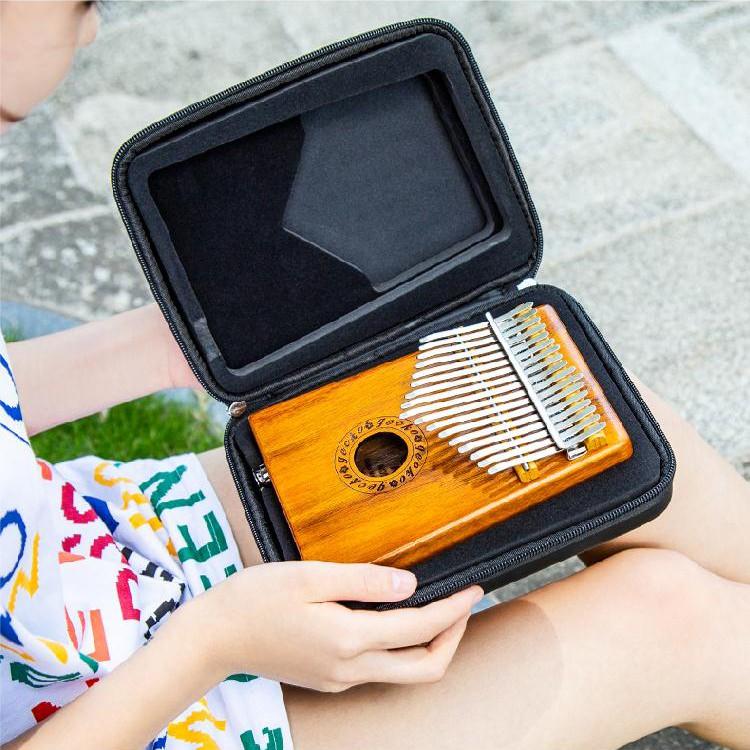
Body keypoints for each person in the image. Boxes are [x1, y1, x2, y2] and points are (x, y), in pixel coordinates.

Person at [1, 3, 748, 749]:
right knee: (671, 621)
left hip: (116, 548)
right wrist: (216, 642)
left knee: (590, 408)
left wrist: (166, 345)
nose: (91, 27)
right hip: (145, 712)